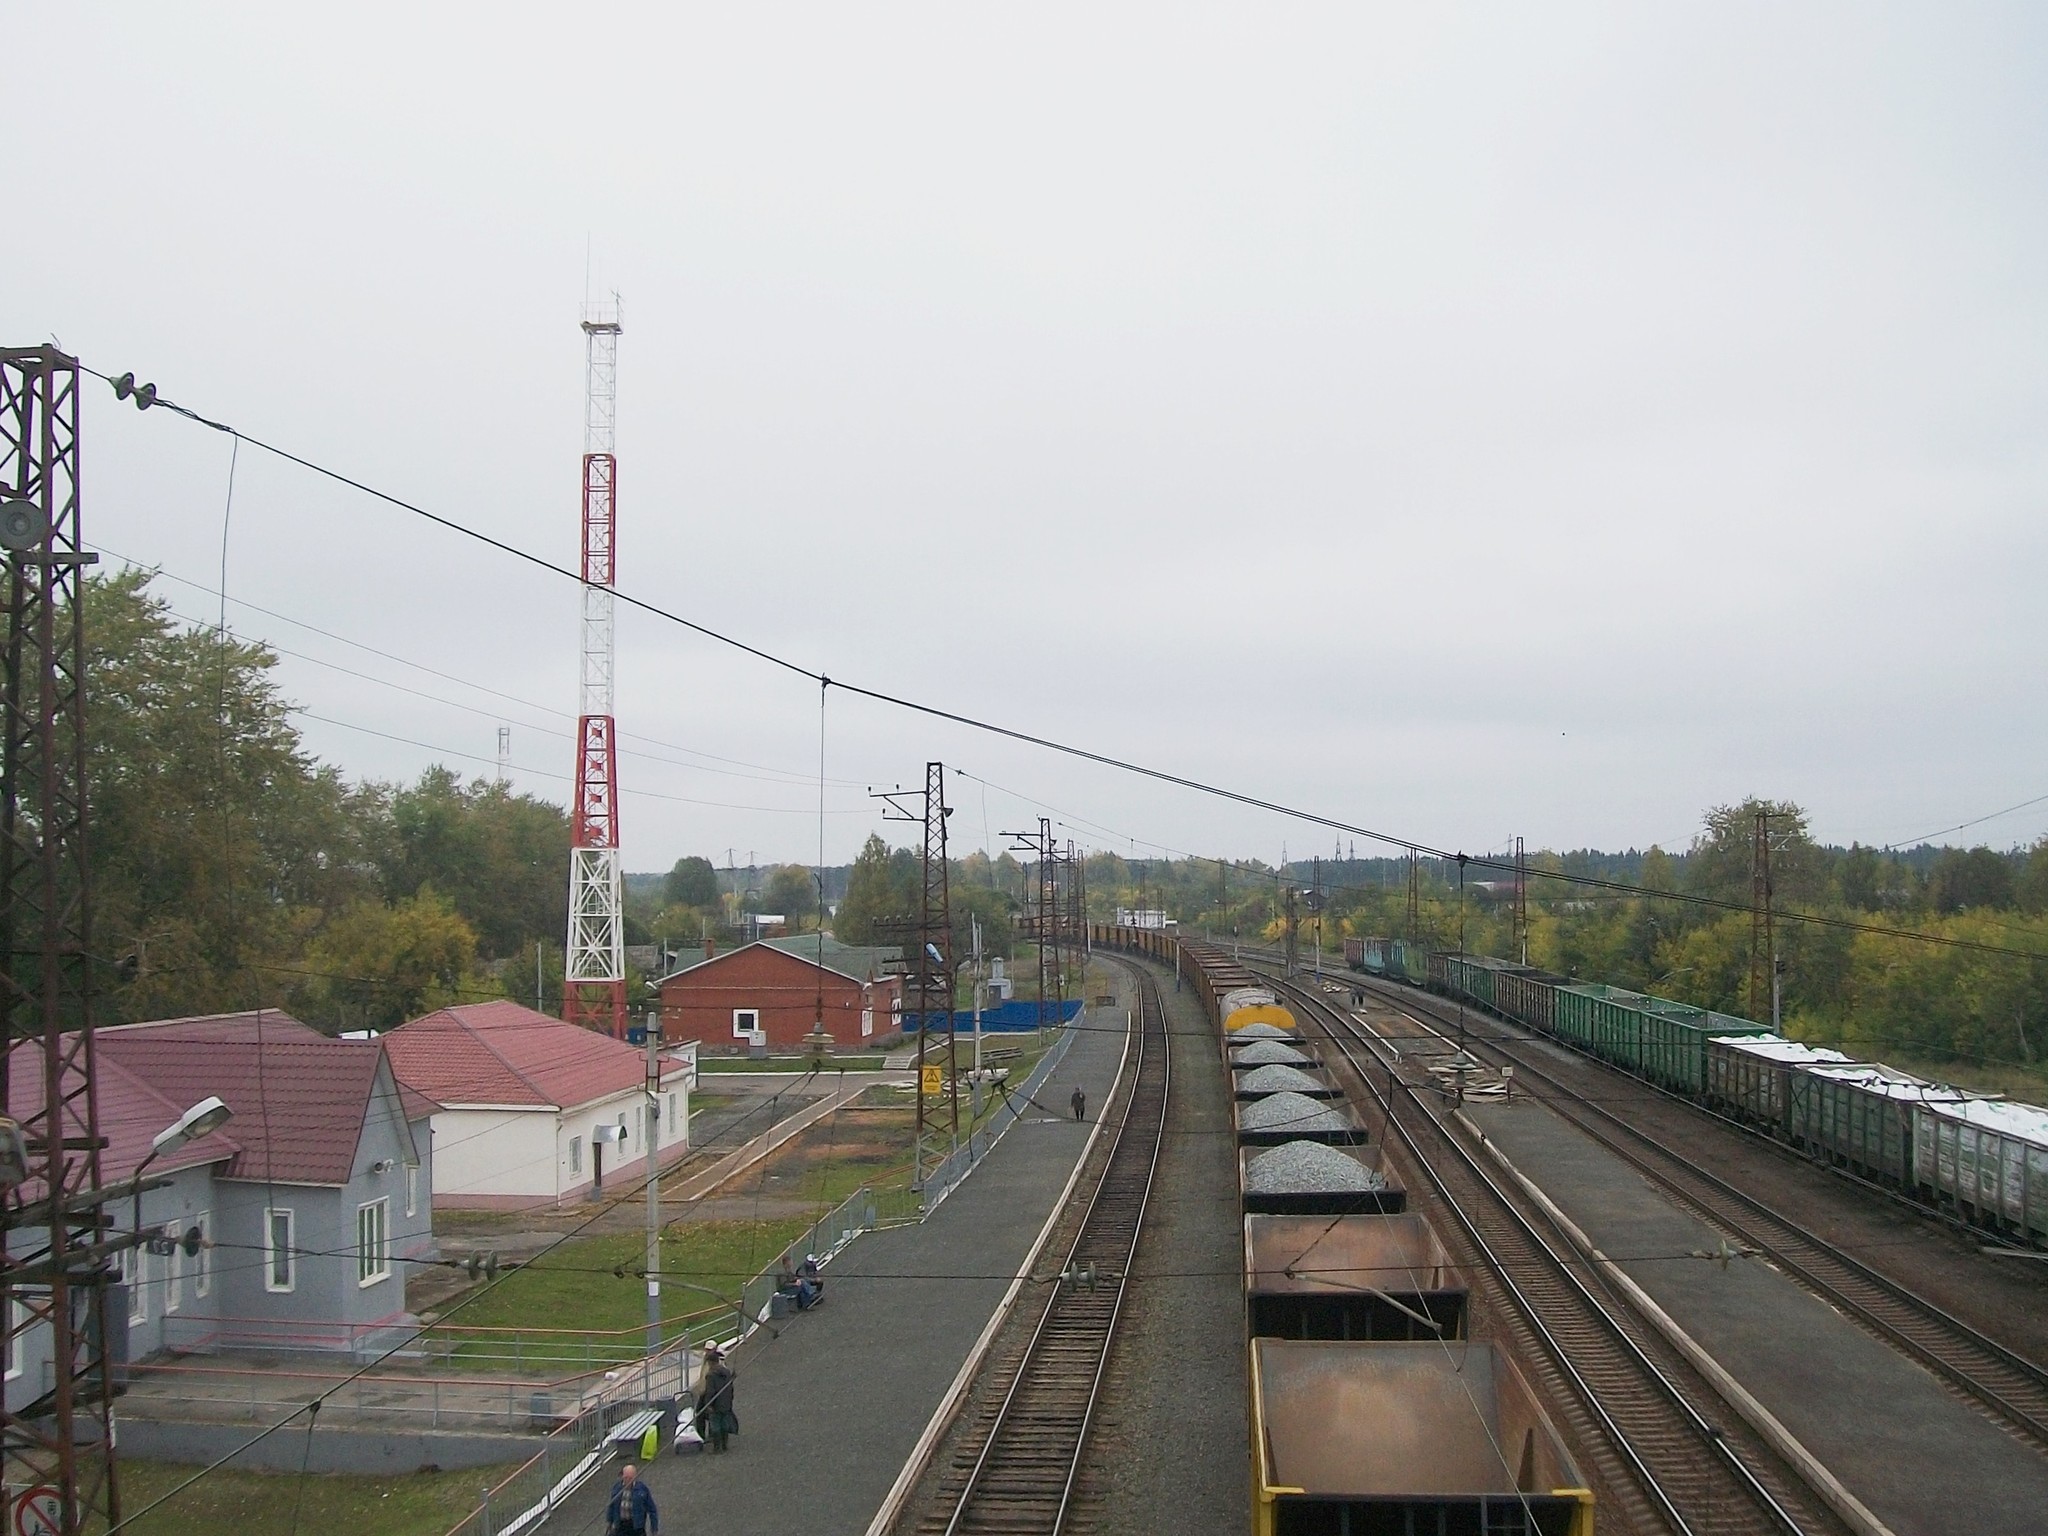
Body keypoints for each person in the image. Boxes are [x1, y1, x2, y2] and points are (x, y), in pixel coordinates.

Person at [694, 1346, 739, 1454]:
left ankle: (717, 1448)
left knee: (715, 1425)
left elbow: (710, 1391)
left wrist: (708, 1404)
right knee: (724, 1423)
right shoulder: (726, 1372)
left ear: (710, 1363)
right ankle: (724, 1445)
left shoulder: (711, 1375)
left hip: (715, 1404)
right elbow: (730, 1387)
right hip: (726, 1402)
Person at [604, 1463, 658, 1536]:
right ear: (622, 1476)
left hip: (636, 1527)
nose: (628, 1481)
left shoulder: (642, 1489)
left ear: (635, 1477)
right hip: (620, 1526)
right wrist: (609, 1522)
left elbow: (652, 1510)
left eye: (630, 1478)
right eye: (626, 1477)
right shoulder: (617, 1488)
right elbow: (612, 1506)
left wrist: (654, 1529)